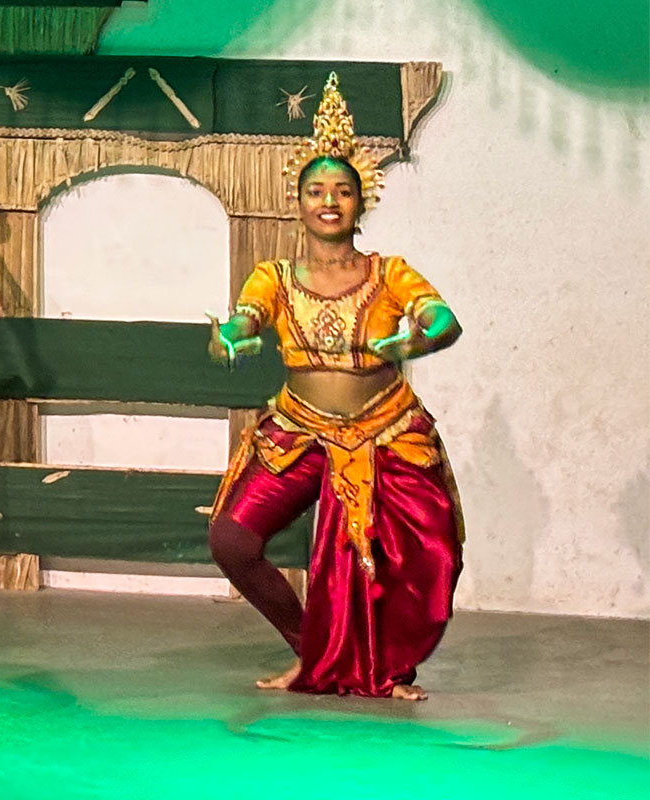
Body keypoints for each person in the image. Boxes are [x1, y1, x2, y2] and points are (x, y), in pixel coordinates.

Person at [206, 73, 464, 702]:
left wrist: (411, 341)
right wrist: (232, 335)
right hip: (299, 429)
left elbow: (442, 320)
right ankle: (314, 651)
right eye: (316, 190)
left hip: (387, 429)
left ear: (360, 201)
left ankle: (388, 669)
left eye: (342, 191)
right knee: (232, 539)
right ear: (297, 202)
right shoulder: (274, 275)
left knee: (424, 554)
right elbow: (246, 315)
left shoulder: (389, 271)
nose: (329, 201)